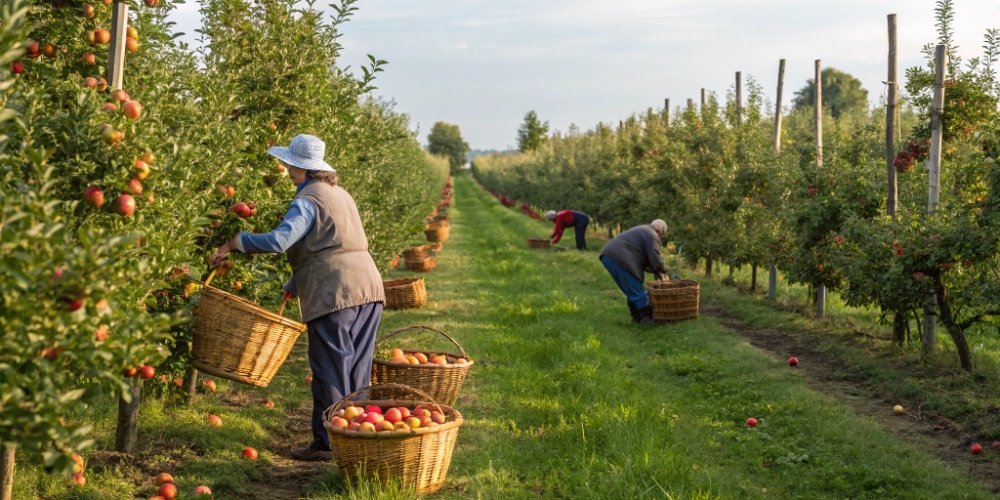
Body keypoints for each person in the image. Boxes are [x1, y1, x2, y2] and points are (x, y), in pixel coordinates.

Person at [211, 134, 384, 461]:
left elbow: (281, 240)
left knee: (330, 370)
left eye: (291, 164)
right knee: (357, 370)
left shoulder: (307, 199)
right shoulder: (340, 194)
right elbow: (334, 241)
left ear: (301, 168)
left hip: (334, 292)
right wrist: (296, 279)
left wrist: (238, 242)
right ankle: (359, 440)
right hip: (369, 288)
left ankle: (327, 443)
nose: (287, 169)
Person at [599, 219, 669, 324]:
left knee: (631, 289)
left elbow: (645, 258)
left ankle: (637, 318)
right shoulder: (652, 234)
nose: (660, 238)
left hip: (609, 255)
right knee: (636, 289)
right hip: (620, 257)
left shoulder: (643, 230)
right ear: (659, 231)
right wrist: (663, 270)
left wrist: (656, 270)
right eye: (661, 236)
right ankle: (647, 319)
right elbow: (654, 257)